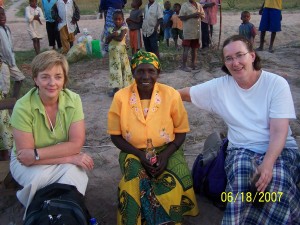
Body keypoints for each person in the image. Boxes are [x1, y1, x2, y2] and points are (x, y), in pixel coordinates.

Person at [178, 35, 300, 224]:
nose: (235, 63)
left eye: (239, 55)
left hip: (279, 148)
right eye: (229, 58)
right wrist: (151, 93)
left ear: (252, 56)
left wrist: (267, 165)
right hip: (241, 148)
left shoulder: (275, 84)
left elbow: (279, 132)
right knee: (242, 181)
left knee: (276, 182)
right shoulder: (220, 87)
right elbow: (184, 94)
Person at [107, 50, 199, 225]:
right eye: (140, 71)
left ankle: (167, 219)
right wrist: (140, 156)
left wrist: (165, 156)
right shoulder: (120, 97)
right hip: (132, 152)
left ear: (159, 73)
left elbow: (181, 131)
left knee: (175, 178)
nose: (145, 76)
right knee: (134, 178)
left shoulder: (171, 94)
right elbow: (115, 136)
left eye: (151, 71)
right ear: (133, 72)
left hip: (167, 149)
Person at [9, 50, 94, 218]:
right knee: (47, 178)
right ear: (35, 79)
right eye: (45, 76)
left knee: (75, 173)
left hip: (42, 155)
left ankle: (65, 215)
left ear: (64, 80)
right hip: (27, 164)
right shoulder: (22, 106)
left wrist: (38, 155)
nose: (52, 83)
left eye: (58, 76)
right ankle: (46, 214)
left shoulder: (74, 100)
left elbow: (76, 144)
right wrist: (69, 158)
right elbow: (25, 157)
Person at [106, 10, 133, 97]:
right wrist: (111, 36)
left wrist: (112, 35)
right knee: (115, 71)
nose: (117, 21)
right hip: (113, 56)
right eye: (115, 19)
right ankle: (116, 89)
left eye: (119, 19)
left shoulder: (124, 29)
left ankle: (126, 89)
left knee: (123, 69)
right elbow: (106, 40)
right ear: (113, 20)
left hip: (121, 55)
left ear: (123, 20)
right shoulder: (111, 29)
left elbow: (120, 38)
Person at [0, 7, 25, 100]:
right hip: (2, 63)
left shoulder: (6, 28)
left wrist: (12, 58)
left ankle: (14, 100)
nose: (2, 17)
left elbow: (9, 46)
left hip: (10, 61)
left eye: (3, 14)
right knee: (4, 88)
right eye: (0, 15)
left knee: (20, 78)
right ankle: (3, 108)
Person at [179, 0, 205, 72]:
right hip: (188, 31)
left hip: (196, 31)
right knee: (186, 49)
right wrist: (192, 16)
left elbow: (203, 16)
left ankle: (193, 64)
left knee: (194, 49)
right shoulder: (185, 5)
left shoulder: (199, 5)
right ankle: (184, 66)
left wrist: (200, 15)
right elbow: (181, 17)